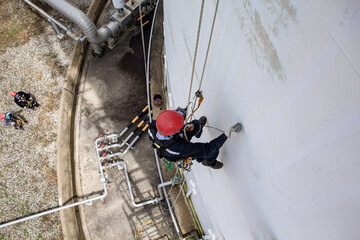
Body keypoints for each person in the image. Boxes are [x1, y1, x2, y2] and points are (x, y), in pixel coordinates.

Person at [148, 108, 242, 169]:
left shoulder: (154, 126)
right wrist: (226, 135)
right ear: (174, 132)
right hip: (178, 152)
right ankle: (209, 161)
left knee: (194, 125)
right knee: (212, 151)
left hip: (173, 140)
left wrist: (181, 113)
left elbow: (170, 117)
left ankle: (198, 128)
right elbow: (207, 148)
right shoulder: (179, 148)